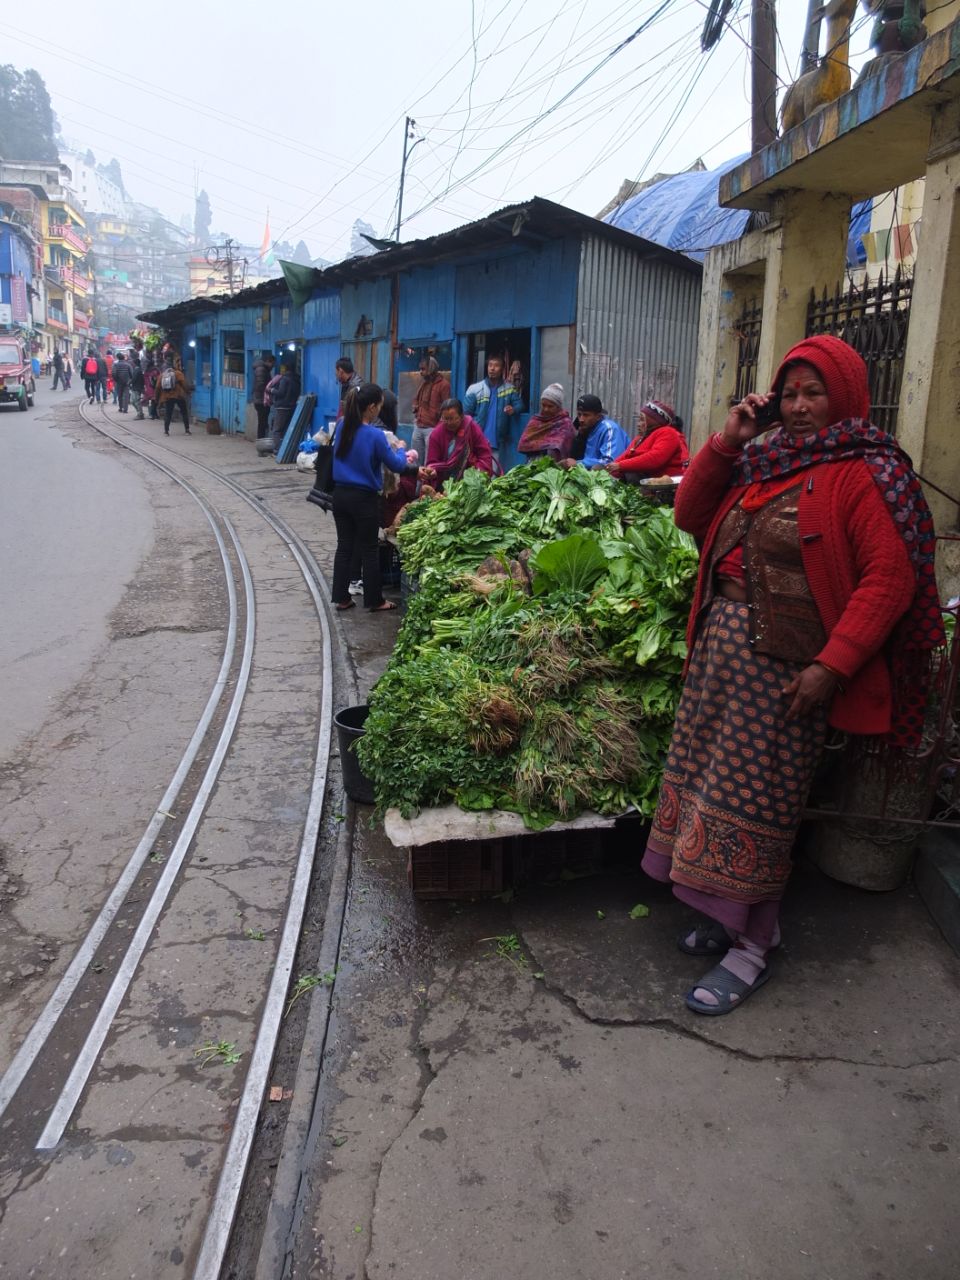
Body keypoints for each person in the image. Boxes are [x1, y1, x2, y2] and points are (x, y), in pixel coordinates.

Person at [640, 334, 943, 1017]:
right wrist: (727, 440)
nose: (801, 407)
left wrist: (830, 668)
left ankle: (754, 947)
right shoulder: (766, 459)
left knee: (757, 803)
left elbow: (890, 580)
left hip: (783, 677)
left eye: (816, 393)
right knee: (708, 790)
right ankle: (726, 919)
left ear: (847, 399)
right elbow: (690, 516)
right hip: (720, 659)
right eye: (792, 394)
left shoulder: (864, 473)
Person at [330, 382, 419, 613]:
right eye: (379, 405)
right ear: (371, 407)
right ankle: (374, 600)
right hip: (363, 499)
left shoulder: (341, 426)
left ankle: (341, 598)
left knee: (344, 547)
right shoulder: (375, 435)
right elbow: (397, 464)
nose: (380, 409)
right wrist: (400, 447)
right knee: (369, 548)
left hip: (340, 496)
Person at [421, 398, 495, 491]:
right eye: (445, 419)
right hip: (444, 484)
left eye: (452, 419)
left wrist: (478, 474)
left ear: (461, 416)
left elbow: (484, 454)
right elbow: (432, 462)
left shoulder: (471, 427)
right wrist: (433, 470)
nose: (449, 423)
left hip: (471, 481)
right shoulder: (436, 434)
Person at [608, 401, 689, 480]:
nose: (638, 424)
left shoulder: (668, 432)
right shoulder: (640, 438)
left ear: (653, 421)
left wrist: (620, 466)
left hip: (663, 486)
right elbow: (626, 456)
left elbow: (655, 458)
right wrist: (609, 468)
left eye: (642, 420)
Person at [463, 356, 522, 458]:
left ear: (503, 369)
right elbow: (466, 414)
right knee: (477, 471)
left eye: (496, 366)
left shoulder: (509, 389)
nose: (492, 368)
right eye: (490, 365)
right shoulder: (475, 389)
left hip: (497, 442)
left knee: (494, 472)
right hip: (477, 440)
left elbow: (520, 405)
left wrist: (513, 410)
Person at [560, 394, 629, 470]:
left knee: (596, 468)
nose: (581, 419)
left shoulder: (609, 429)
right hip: (592, 474)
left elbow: (609, 462)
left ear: (598, 416)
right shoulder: (586, 428)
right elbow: (575, 457)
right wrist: (580, 437)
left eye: (586, 415)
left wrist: (578, 463)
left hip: (617, 475)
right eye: (579, 414)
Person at [517, 384, 576, 461]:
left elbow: (563, 448)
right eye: (543, 405)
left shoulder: (565, 424)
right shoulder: (536, 421)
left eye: (550, 406)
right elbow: (524, 443)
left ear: (558, 406)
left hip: (555, 467)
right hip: (532, 464)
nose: (546, 409)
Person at [411, 357, 451, 465]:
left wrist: (439, 429)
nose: (421, 372)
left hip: (432, 429)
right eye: (420, 369)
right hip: (419, 426)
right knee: (415, 461)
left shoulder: (443, 385)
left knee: (429, 463)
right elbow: (416, 400)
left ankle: (425, 482)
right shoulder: (424, 384)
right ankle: (416, 482)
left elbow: (446, 408)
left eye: (423, 369)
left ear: (431, 368)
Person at [269, 360, 302, 454]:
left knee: (277, 430)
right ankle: (284, 449)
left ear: (286, 369)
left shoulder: (284, 379)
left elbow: (280, 392)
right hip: (292, 407)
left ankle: (277, 450)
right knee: (285, 429)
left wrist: (271, 390)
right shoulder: (297, 380)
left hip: (282, 407)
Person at [156, 357, 191, 434]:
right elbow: (184, 384)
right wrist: (188, 392)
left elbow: (158, 388)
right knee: (184, 412)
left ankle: (166, 431)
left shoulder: (162, 375)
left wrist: (157, 399)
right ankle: (187, 430)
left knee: (168, 413)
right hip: (179, 396)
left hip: (168, 397)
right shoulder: (178, 373)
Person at [252, 352, 275, 439]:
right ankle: (261, 441)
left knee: (263, 422)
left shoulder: (262, 369)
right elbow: (261, 385)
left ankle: (262, 440)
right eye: (272, 363)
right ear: (268, 361)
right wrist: (270, 391)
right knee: (262, 422)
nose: (273, 366)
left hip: (260, 400)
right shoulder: (261, 369)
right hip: (261, 401)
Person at [130, 353, 145, 419]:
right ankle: (139, 413)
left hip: (136, 388)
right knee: (133, 401)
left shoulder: (137, 370)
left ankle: (140, 414)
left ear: (135, 363)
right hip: (136, 387)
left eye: (133, 363)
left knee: (136, 401)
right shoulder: (138, 370)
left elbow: (134, 379)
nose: (132, 364)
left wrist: (129, 382)